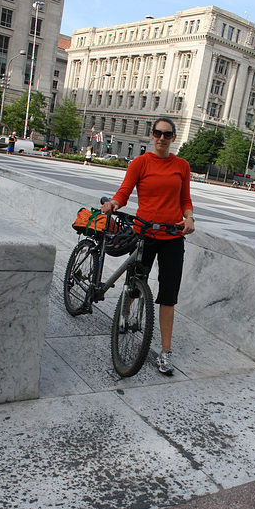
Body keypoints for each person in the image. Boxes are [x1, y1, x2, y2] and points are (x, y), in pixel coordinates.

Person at [101, 117, 195, 376]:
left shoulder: (182, 166)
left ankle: (165, 352)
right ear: (151, 135)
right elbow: (124, 191)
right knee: (135, 284)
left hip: (172, 236)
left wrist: (189, 217)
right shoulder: (140, 163)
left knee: (168, 297)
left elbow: (185, 199)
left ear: (174, 138)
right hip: (144, 234)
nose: (162, 138)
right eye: (158, 133)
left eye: (167, 134)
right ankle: (125, 315)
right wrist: (114, 204)